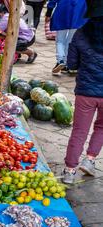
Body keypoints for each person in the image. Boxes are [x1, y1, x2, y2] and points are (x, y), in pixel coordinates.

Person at [62, 0, 103, 184]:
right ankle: (90, 160)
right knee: (101, 128)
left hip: (85, 92)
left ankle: (69, 172)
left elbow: (71, 64)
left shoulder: (80, 34)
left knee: (79, 131)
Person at [45, 0, 87, 75]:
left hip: (63, 13)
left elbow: (52, 1)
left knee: (60, 40)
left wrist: (48, 13)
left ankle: (60, 61)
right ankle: (66, 64)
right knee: (70, 41)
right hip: (78, 15)